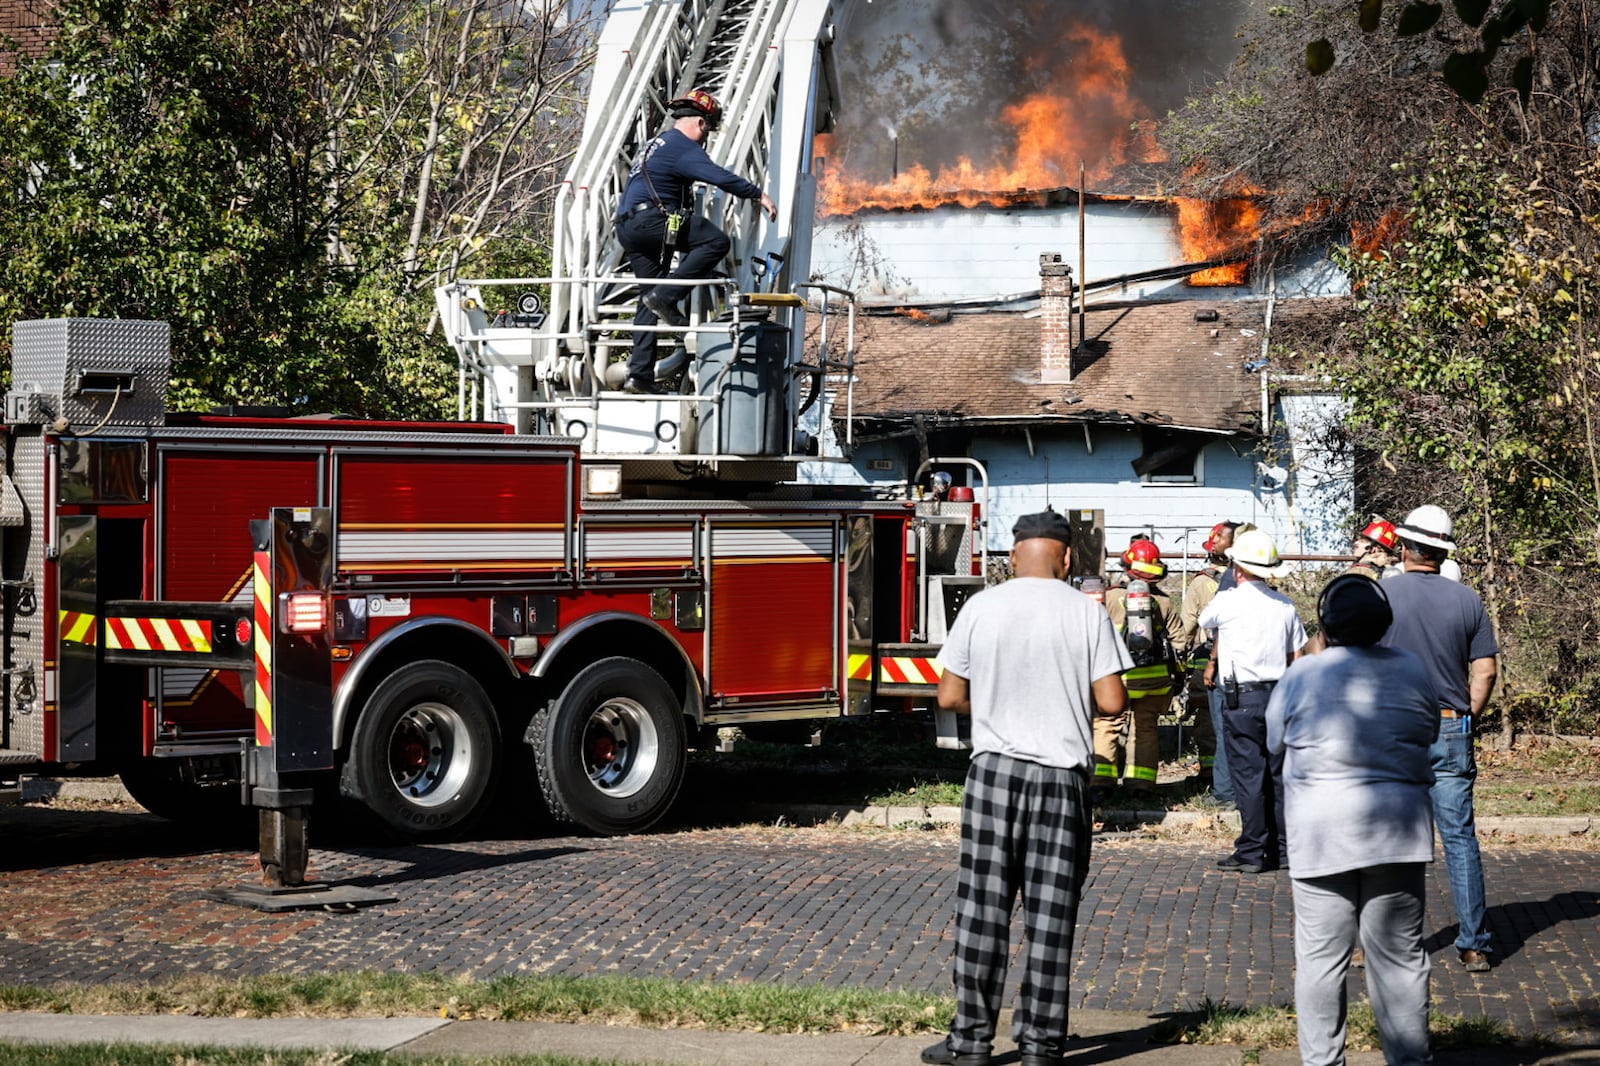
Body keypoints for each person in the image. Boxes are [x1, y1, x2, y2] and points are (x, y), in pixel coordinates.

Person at [922, 508, 1132, 1066]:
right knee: (1050, 914)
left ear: (1014, 555)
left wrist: (991, 702)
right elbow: (1112, 701)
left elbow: (947, 696)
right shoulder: (1086, 613)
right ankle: (1040, 1046)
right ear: (1067, 558)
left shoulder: (983, 607)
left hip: (993, 774)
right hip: (1061, 779)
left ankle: (969, 1042)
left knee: (983, 912)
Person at [1268, 574, 1439, 1066]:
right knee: (1401, 961)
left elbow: (1273, 744)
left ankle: (1323, 1061)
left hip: (1320, 835)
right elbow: (1427, 729)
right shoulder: (1411, 668)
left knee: (1321, 962)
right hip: (1398, 832)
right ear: (1384, 623)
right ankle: (1409, 1059)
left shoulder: (1302, 675)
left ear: (1325, 623)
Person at [1381, 504, 1499, 974]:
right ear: (1441, 551)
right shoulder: (1467, 600)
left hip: (1394, 727)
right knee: (1460, 838)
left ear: (1405, 547)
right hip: (1451, 724)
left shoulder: (1381, 595)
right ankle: (1474, 944)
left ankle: (1383, 943)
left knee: (1388, 839)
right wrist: (1467, 715)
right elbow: (1485, 670)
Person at [614, 89, 778, 395]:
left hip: (628, 228)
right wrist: (757, 194)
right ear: (700, 125)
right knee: (715, 243)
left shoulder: (653, 145)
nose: (706, 141)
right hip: (655, 221)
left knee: (648, 294)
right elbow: (717, 176)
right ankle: (667, 296)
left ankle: (639, 375)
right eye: (708, 132)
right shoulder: (683, 147)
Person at [1199, 528, 1307, 874]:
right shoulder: (1285, 606)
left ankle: (1251, 849)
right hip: (1278, 694)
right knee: (1278, 775)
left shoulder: (1228, 601)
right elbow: (1298, 656)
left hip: (1240, 696)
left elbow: (1204, 622)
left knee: (1248, 775)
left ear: (1237, 568)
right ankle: (1284, 849)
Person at [1171, 521, 1252, 806]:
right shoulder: (1254, 579)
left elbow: (1188, 625)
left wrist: (1180, 657)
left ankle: (1215, 779)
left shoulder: (1202, 582)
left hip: (1210, 662)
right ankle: (1223, 779)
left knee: (1210, 721)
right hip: (1243, 664)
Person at [1093, 537, 1178, 799]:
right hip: (1153, 683)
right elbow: (1180, 641)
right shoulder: (1163, 603)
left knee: (1107, 724)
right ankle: (1141, 786)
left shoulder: (1107, 598)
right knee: (1146, 728)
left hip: (1114, 681)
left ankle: (1100, 784)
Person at [1347, 516, 1401, 580]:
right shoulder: (1394, 573)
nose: (1356, 543)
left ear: (1373, 549)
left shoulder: (1358, 572)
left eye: (1362, 541)